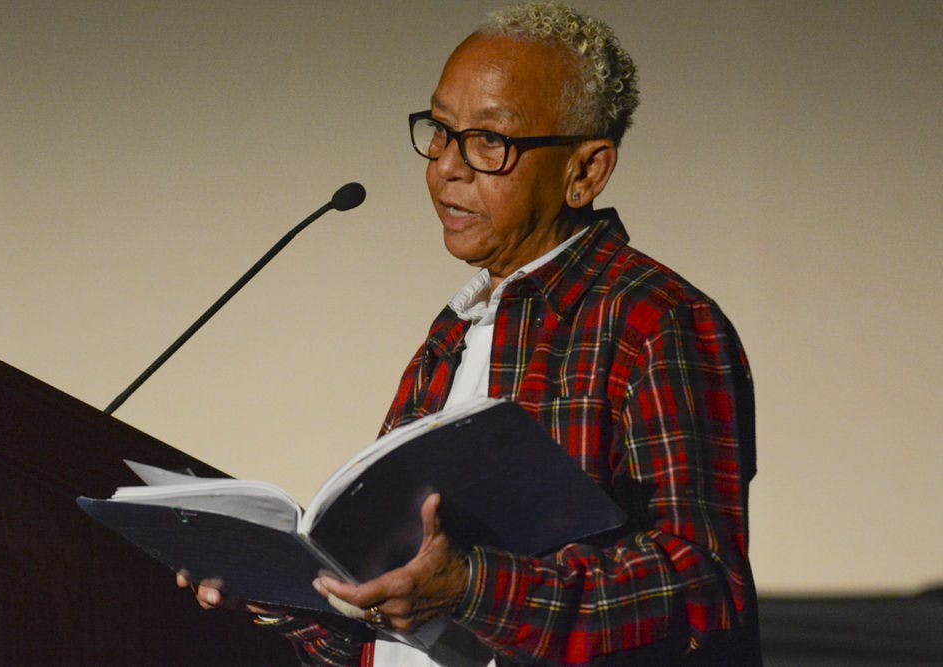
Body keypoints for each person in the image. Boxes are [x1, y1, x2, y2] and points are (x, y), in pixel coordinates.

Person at [179, 2, 760, 664]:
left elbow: (705, 588)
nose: (446, 167)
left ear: (585, 171)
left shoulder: (654, 320)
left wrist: (473, 587)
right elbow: (394, 622)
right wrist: (287, 587)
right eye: (441, 131)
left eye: (490, 142)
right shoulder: (453, 333)